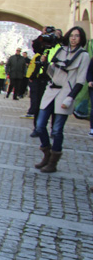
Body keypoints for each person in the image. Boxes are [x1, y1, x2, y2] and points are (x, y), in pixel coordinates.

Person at [34, 27, 90, 173]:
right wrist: (45, 64)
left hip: (66, 92)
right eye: (72, 35)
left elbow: (80, 79)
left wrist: (71, 97)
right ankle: (47, 153)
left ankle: (53, 161)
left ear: (81, 38)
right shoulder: (61, 50)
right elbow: (53, 72)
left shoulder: (83, 55)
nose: (73, 38)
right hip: (51, 90)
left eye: (77, 36)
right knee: (40, 126)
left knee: (57, 130)